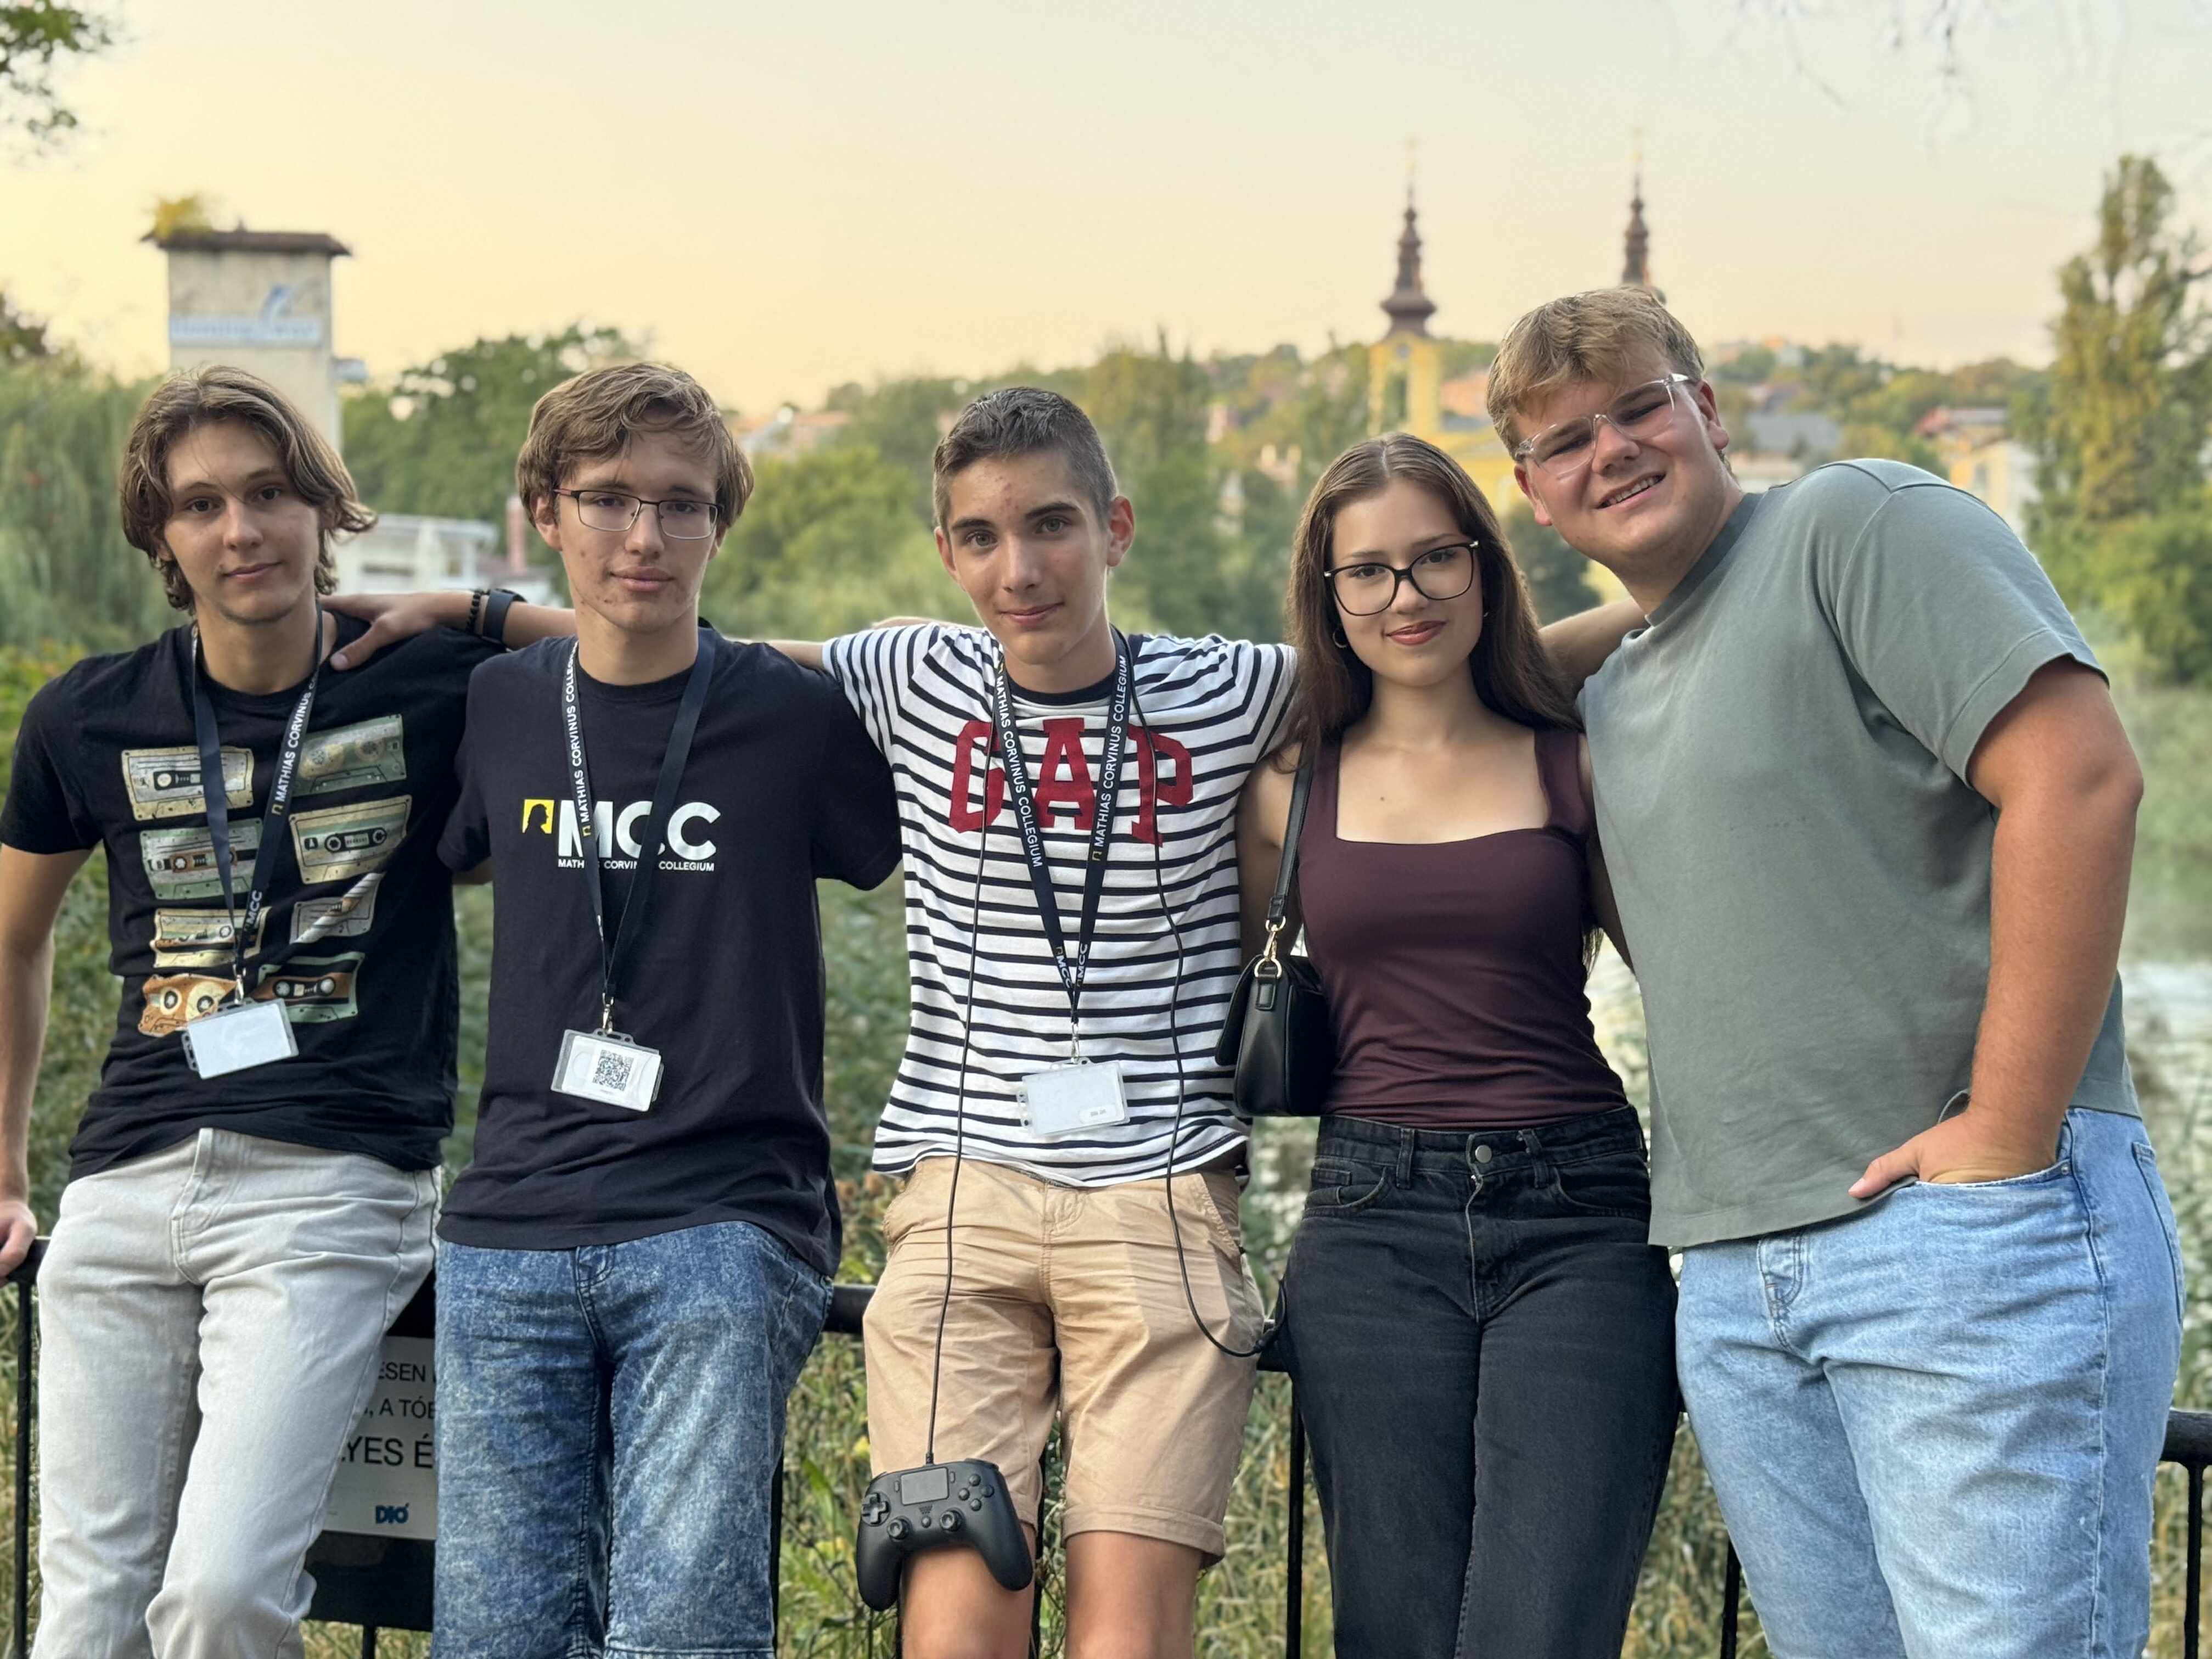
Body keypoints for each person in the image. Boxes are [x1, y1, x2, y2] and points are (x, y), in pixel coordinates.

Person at [762, 387, 1641, 1658]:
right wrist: (487, 615)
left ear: (1114, 527)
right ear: (945, 550)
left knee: (1131, 1631)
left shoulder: (1233, 690)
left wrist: (1685, 578)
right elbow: (688, 648)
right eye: (982, 536)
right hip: (962, 1198)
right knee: (954, 1616)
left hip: (1161, 1192)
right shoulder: (908, 669)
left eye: (1051, 524)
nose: (1020, 568)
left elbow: (1436, 658)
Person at [1486, 285, 2181, 1658]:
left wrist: (2004, 1133)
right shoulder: (1610, 692)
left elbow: (2078, 778)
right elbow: (1434, 688)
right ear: (1532, 494)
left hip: (1961, 1237)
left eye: (1637, 408)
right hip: (1735, 1277)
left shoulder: (1853, 524)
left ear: (1705, 409)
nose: (1609, 450)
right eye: (1565, 441)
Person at [0, 366, 564, 1657]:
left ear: (324, 508)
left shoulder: (439, 684)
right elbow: (13, 938)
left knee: (222, 1594)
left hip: (331, 1187)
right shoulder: (89, 713)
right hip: (125, 1184)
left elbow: (655, 651)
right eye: (201, 505)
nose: (240, 529)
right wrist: (6, 1167)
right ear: (162, 535)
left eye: (269, 493)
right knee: (87, 1616)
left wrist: (471, 606)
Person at [429, 361, 900, 1659]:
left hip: (720, 1216)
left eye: (681, 504)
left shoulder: (795, 717)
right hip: (510, 1219)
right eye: (607, 498)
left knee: (683, 1631)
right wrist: (453, 614)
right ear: (545, 512)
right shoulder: (496, 703)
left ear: (717, 525)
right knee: (495, 1635)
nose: (644, 535)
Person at [1236, 433, 1676, 1658]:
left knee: (1541, 1631)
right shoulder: (1285, 790)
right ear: (1327, 595)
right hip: (1371, 1218)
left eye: (1436, 557)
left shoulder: (1573, 762)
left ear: (1484, 566)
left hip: (1580, 1214)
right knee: (1396, 1632)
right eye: (1366, 570)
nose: (1406, 594)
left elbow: (1687, 985)